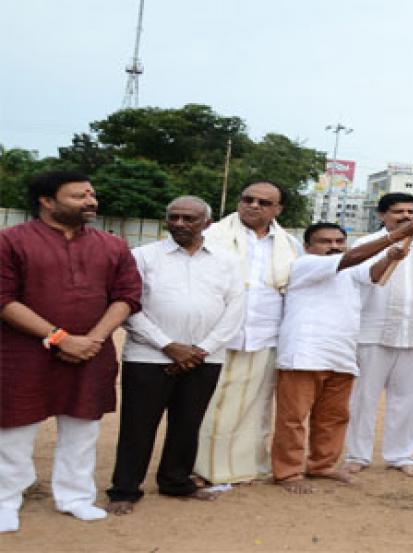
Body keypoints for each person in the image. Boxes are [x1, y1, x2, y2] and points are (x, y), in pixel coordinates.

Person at [0, 171, 142, 532]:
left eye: (91, 194)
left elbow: (127, 296)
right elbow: (3, 299)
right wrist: (61, 338)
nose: (90, 201)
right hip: (22, 353)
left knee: (83, 428)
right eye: (79, 196)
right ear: (47, 201)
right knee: (15, 430)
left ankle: (75, 496)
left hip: (91, 353)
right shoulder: (10, 241)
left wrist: (91, 340)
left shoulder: (113, 245)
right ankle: (5, 500)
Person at [105, 196, 244, 516]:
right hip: (148, 356)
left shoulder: (228, 262)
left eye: (189, 219)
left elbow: (235, 310)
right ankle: (124, 489)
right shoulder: (142, 257)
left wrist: (202, 349)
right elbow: (128, 306)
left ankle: (176, 481)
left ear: (207, 224)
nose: (180, 224)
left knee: (188, 423)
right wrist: (168, 345)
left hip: (204, 358)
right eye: (174, 217)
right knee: (137, 426)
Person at [272, 220, 413, 494]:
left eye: (339, 242)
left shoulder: (350, 270)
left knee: (333, 417)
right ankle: (288, 472)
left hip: (341, 354)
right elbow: (353, 257)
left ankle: (322, 464)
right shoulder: (305, 265)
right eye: (325, 241)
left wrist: (390, 257)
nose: (333, 247)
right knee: (293, 418)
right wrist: (398, 234)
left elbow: (375, 275)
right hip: (304, 353)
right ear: (308, 247)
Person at [195, 181, 301, 485]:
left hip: (265, 336)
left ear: (277, 210)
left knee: (255, 408)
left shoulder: (290, 245)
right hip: (215, 336)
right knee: (211, 406)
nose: (254, 205)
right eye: (248, 199)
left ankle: (246, 466)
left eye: (264, 203)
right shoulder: (211, 236)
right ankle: (203, 468)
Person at [346, 193, 413, 476]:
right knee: (363, 398)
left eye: (411, 211)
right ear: (382, 216)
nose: (406, 216)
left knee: (407, 399)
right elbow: (366, 277)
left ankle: (402, 455)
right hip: (372, 333)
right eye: (398, 212)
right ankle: (357, 454)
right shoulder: (365, 245)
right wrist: (390, 254)